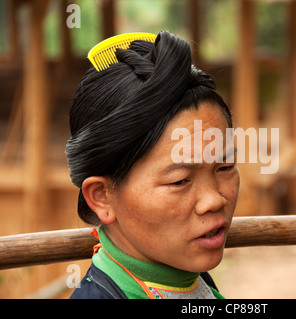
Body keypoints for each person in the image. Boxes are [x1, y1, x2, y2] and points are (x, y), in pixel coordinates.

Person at [66, 30, 240, 299]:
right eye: (180, 180)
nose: (214, 201)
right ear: (103, 197)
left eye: (225, 167)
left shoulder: (184, 272)